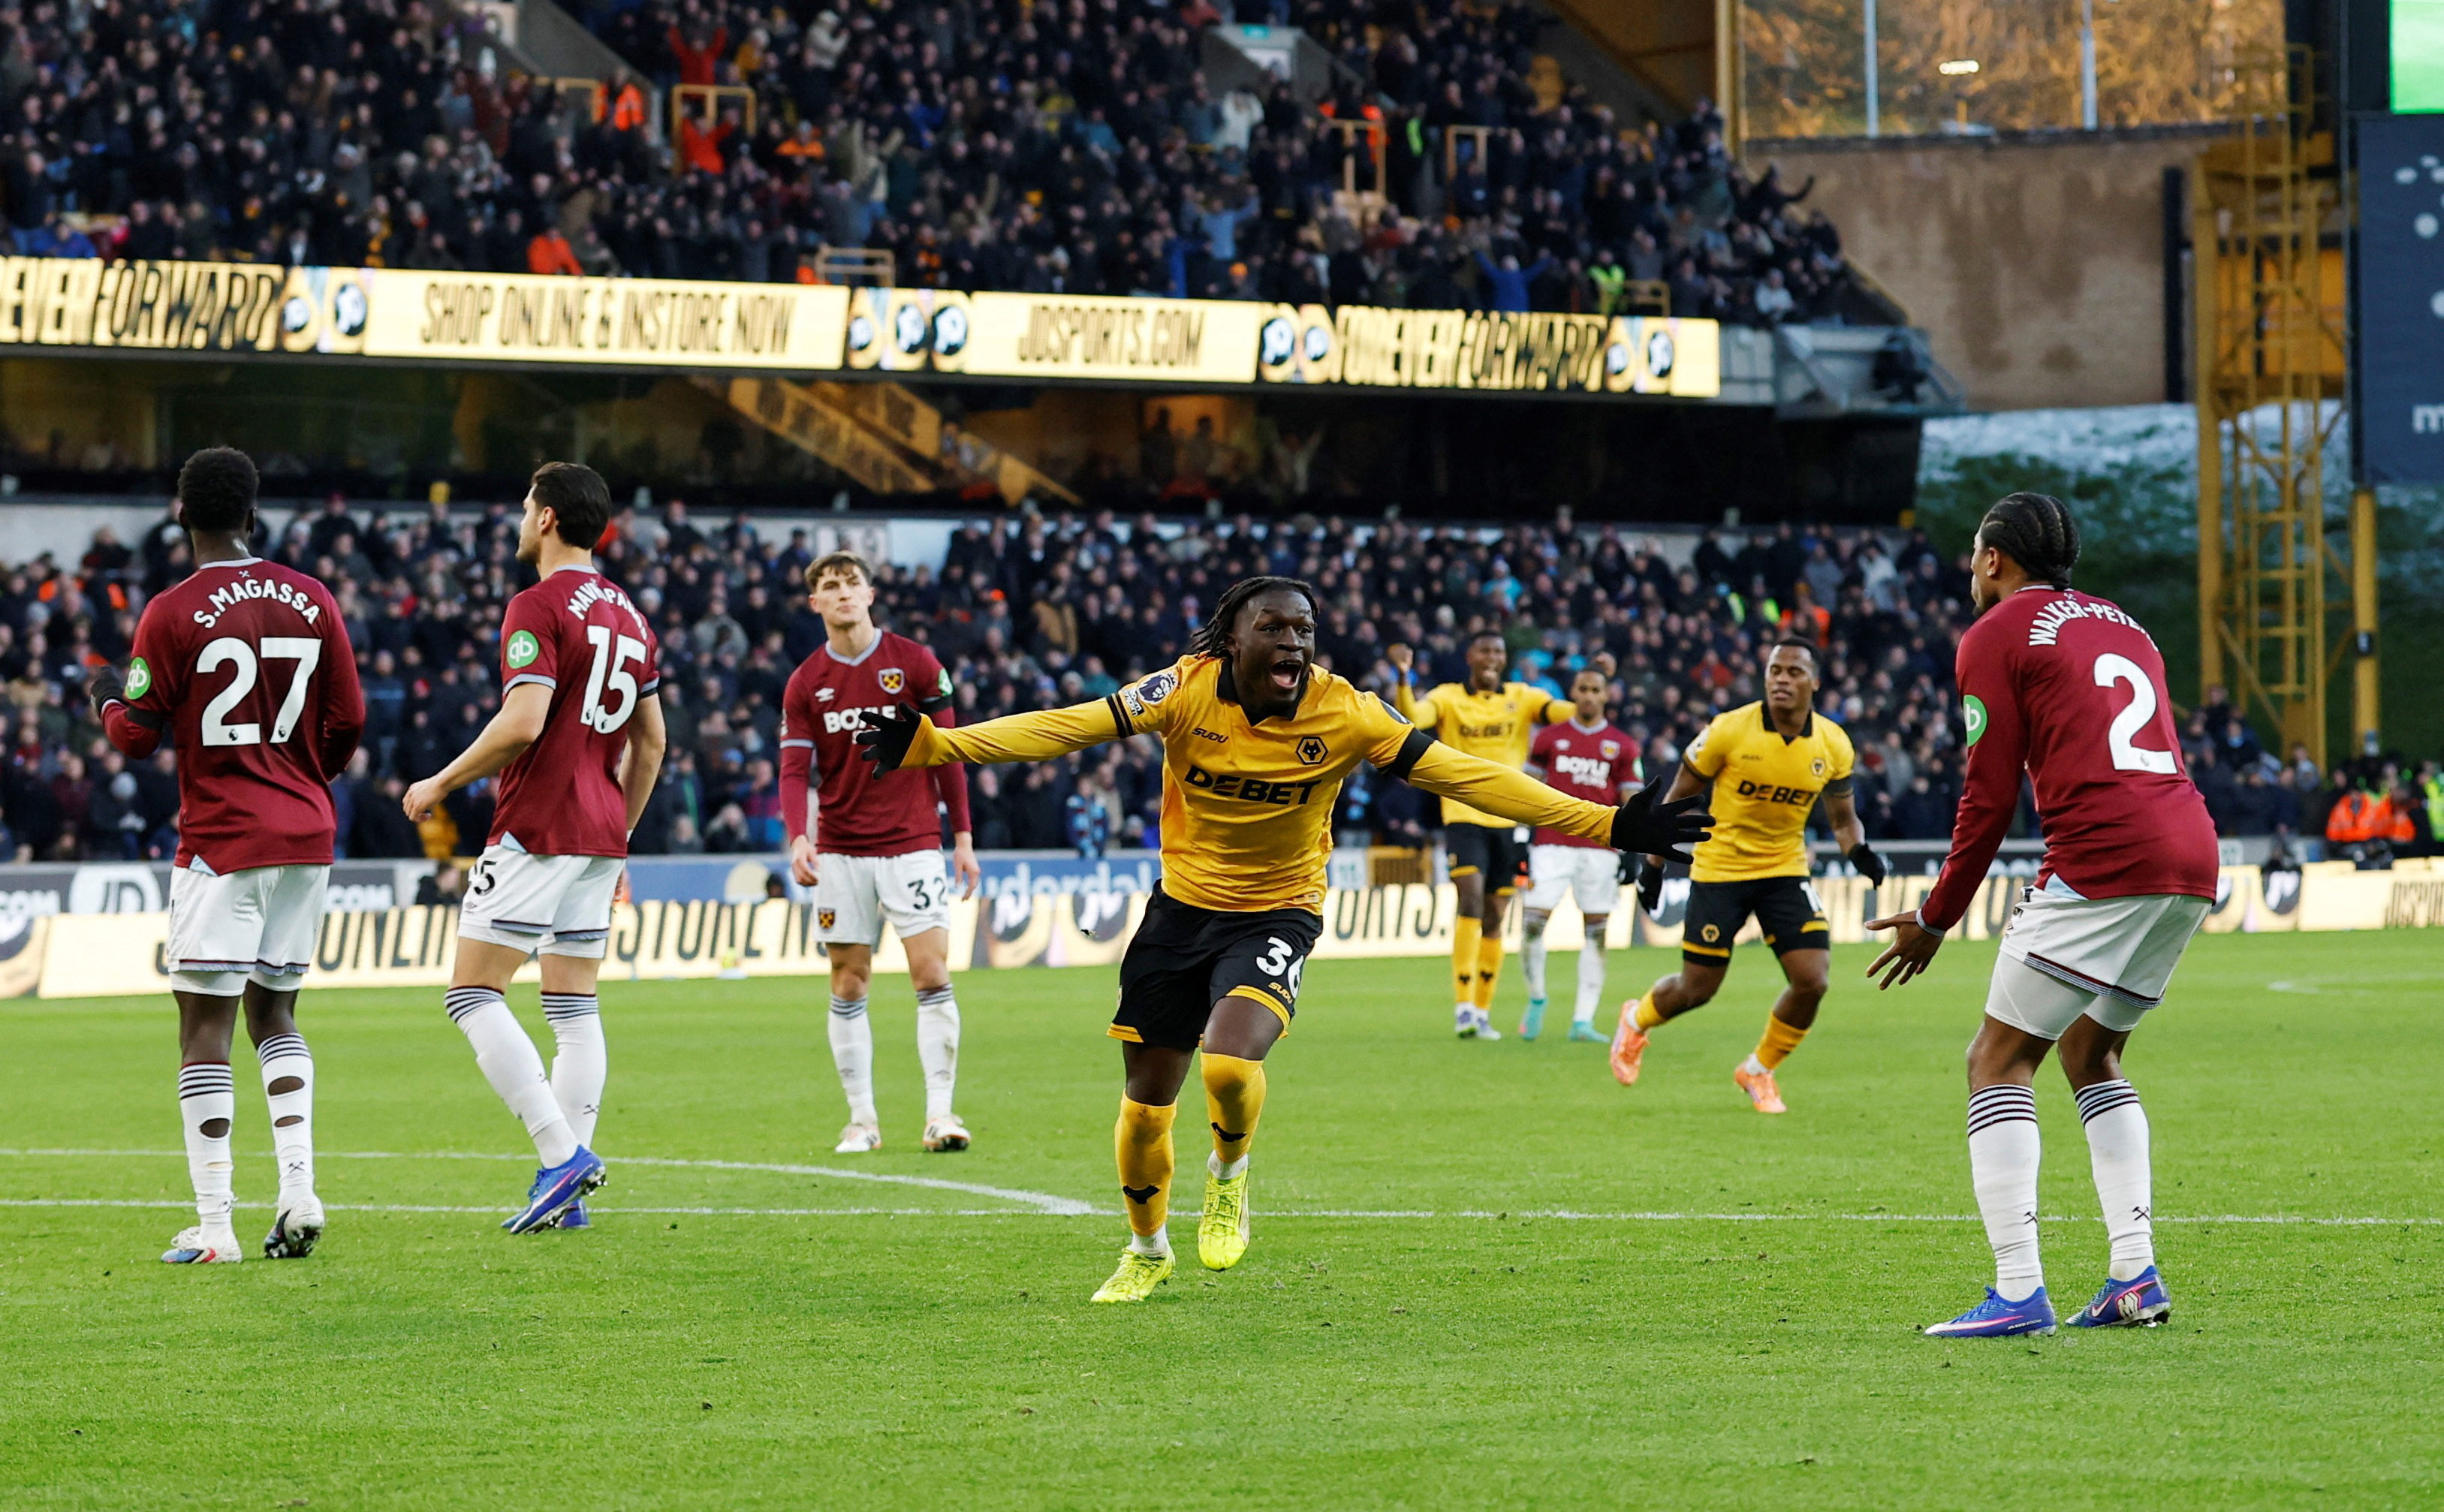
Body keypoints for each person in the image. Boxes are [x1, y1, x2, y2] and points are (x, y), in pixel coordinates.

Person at [852, 577, 1709, 1303]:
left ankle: (1229, 1178)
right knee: (1146, 1106)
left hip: (1279, 909)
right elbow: (1065, 726)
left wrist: (1606, 824)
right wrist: (937, 744)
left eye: (1305, 628)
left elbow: (1468, 775)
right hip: (1179, 911)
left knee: (1228, 1064)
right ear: (1233, 638)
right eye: (1275, 626)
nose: (1295, 640)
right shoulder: (1183, 689)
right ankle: (1146, 1250)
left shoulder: (1348, 712)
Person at [1865, 492, 2220, 1338]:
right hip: (2190, 848)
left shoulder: (1993, 635)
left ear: (1994, 559)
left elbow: (1986, 797)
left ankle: (2019, 1290)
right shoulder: (2128, 626)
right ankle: (2134, 1276)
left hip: (2107, 852)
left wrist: (1936, 914)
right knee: (2091, 1049)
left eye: (1974, 554)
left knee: (1996, 1059)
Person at [92, 447, 365, 1264]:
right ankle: (299, 1191)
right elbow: (347, 719)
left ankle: (215, 1228)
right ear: (254, 515)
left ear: (182, 515)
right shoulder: (313, 597)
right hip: (306, 835)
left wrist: (106, 697)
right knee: (275, 1013)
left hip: (223, 839)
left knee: (202, 1024)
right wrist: (301, 779)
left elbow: (136, 737)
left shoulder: (173, 612)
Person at [403, 462, 668, 1236]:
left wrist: (441, 782)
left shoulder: (538, 604)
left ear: (547, 518)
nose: (522, 521)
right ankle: (569, 1189)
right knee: (573, 1006)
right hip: (598, 831)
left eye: (526, 508)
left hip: (538, 822)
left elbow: (524, 722)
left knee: (472, 993)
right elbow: (651, 744)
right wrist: (619, 835)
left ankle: (561, 1157)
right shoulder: (630, 614)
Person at [1612, 640, 1887, 1113]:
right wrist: (1653, 866)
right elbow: (1679, 799)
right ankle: (1636, 1019)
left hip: (1784, 869)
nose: (1782, 679)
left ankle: (1759, 1070)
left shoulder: (1833, 743)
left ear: (1815, 682)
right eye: (1774, 670)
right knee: (1697, 989)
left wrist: (1858, 850)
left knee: (1813, 980)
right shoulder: (1728, 730)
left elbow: (1843, 819)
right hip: (1721, 869)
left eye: (1794, 672)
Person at [778, 551, 981, 1156]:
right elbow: (793, 770)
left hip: (912, 844)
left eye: (851, 584)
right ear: (815, 603)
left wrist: (963, 837)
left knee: (932, 974)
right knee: (848, 981)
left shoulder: (914, 662)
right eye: (829, 587)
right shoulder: (805, 682)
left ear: (870, 595)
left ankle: (940, 1114)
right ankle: (861, 1120)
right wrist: (797, 834)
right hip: (840, 849)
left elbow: (948, 752)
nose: (842, 594)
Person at [1385, 631, 1590, 1041]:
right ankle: (1462, 1007)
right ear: (1470, 656)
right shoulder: (1446, 698)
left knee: (1496, 916)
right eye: (1484, 650)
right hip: (1463, 814)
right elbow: (1413, 715)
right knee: (1471, 898)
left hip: (1510, 819)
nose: (1492, 657)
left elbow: (1569, 712)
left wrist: (1592, 687)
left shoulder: (1523, 696)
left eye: (1498, 651)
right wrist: (1404, 676)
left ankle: (1482, 1011)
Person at [1517, 667, 1642, 1041]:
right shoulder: (1549, 738)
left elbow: (1631, 800)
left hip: (1600, 848)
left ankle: (1582, 1021)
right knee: (1532, 924)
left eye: (1595, 690)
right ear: (1573, 693)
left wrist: (1632, 849)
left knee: (1597, 933)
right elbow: (1526, 789)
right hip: (1550, 843)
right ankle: (1537, 997)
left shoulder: (1622, 745)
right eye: (1582, 689)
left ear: (1606, 696)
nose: (1588, 696)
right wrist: (1519, 838)